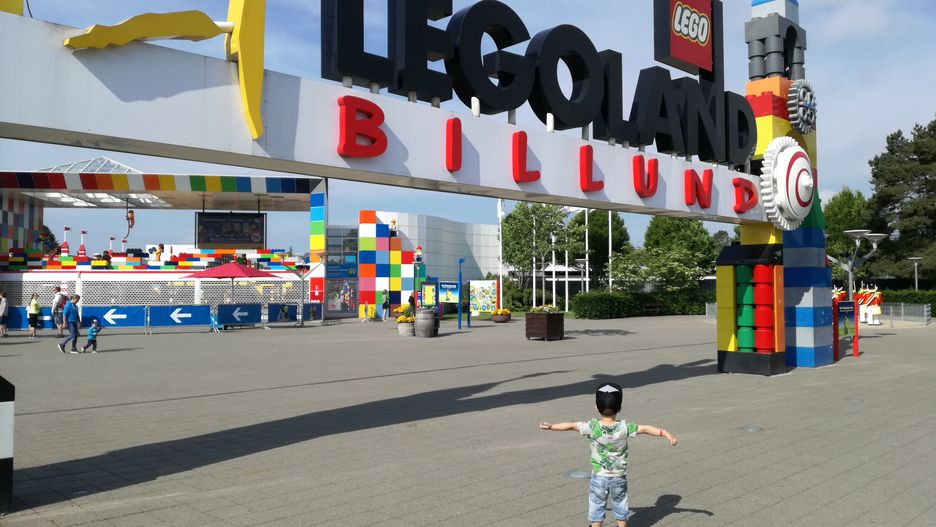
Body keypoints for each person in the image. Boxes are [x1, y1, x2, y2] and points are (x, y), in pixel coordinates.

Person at [540, 383, 677, 527]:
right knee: (620, 505)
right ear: (620, 408)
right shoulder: (624, 427)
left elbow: (571, 425)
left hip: (599, 476)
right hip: (618, 477)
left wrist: (552, 426)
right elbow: (646, 429)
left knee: (597, 507)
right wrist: (666, 434)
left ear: (596, 407)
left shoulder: (592, 426)